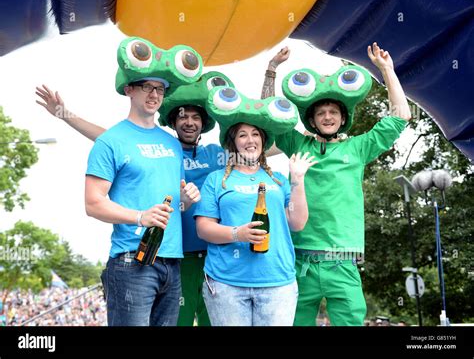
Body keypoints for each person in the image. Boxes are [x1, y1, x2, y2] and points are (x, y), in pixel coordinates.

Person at [37, 37, 203, 326]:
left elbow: (177, 202)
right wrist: (140, 216)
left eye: (160, 88)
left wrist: (187, 198)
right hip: (132, 263)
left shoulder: (172, 144)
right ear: (129, 89)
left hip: (173, 263)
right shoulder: (110, 141)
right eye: (147, 86)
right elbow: (93, 204)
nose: (154, 94)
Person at [263, 42, 412, 326]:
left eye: (333, 112)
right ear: (312, 119)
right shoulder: (297, 143)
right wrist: (271, 72)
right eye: (321, 113)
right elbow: (268, 118)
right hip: (300, 259)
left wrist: (387, 69)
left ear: (343, 118)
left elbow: (400, 116)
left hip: (343, 259)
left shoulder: (357, 148)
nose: (327, 117)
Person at [194, 86, 316, 326]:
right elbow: (203, 229)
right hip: (226, 283)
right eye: (242, 135)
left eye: (255, 134)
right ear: (233, 143)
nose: (250, 140)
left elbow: (297, 222)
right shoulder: (216, 180)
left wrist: (298, 181)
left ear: (263, 140)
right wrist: (237, 233)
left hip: (277, 283)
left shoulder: (278, 179)